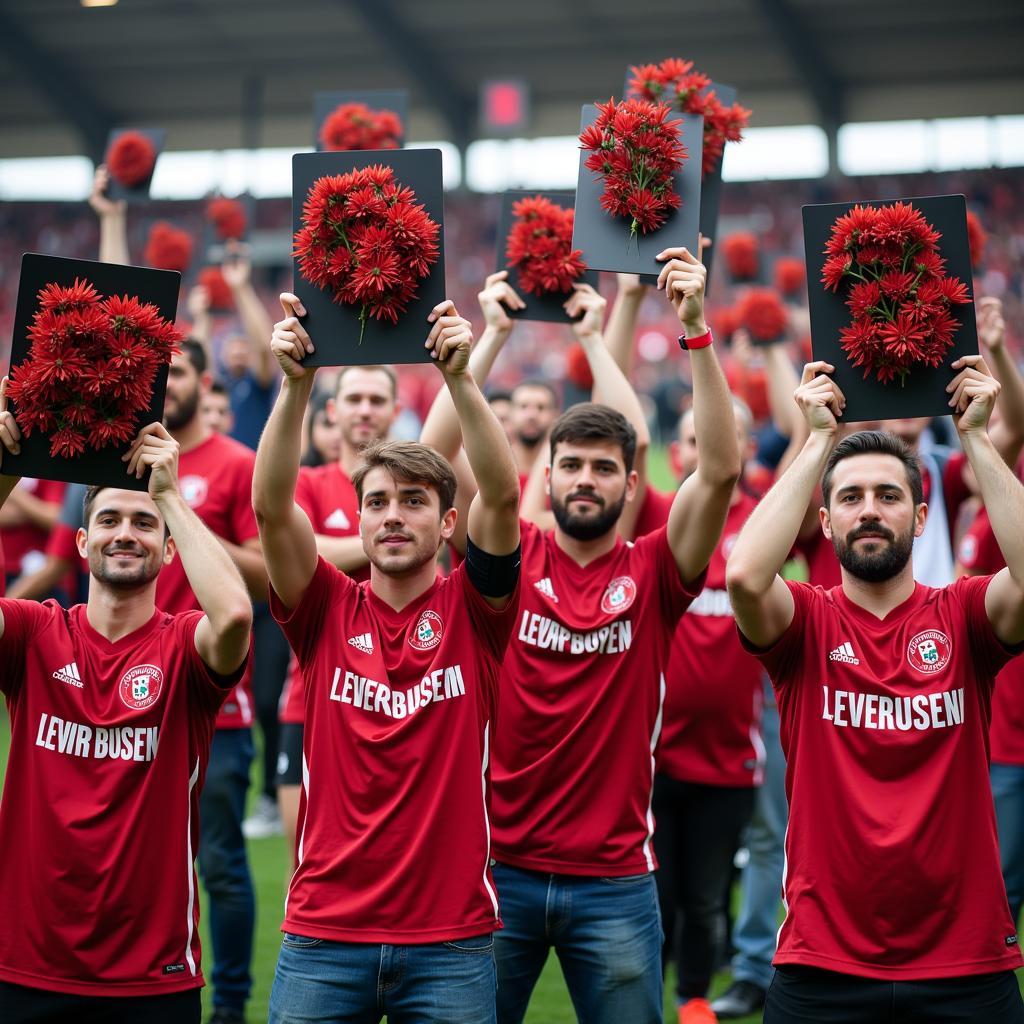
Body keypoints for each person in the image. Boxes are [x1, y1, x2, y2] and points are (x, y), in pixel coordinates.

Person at [725, 356, 1024, 1022]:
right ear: (824, 523)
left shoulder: (965, 615)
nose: (869, 511)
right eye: (850, 498)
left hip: (966, 963)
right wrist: (817, 440)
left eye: (889, 497)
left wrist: (976, 437)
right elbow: (744, 575)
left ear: (920, 520)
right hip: (822, 963)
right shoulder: (804, 622)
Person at [253, 292, 521, 1023]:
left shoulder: (478, 611)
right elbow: (273, 511)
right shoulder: (323, 607)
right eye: (376, 503)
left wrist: (462, 380)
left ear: (446, 523)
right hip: (322, 933)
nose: (393, 516)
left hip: (452, 940)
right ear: (358, 517)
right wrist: (297, 384)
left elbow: (501, 492)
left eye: (412, 501)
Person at [491, 248, 740, 1024]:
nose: (587, 479)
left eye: (604, 466)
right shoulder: (509, 561)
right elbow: (457, 471)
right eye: (572, 466)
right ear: (549, 476)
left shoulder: (658, 571)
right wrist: (479, 356)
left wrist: (694, 329)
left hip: (616, 879)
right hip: (499, 871)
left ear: (632, 484)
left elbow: (722, 473)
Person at [0, 391, 252, 1024]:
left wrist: (170, 495)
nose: (125, 535)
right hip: (25, 961)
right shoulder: (34, 632)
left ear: (171, 551)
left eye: (145, 525)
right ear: (83, 543)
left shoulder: (184, 645)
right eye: (110, 520)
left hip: (151, 977)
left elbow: (237, 615)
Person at [162, 339, 266, 1024]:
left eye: (174, 373)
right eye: (154, 374)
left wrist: (181, 514)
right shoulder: (122, 463)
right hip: (126, 705)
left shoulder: (237, 464)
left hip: (218, 702)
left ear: (203, 381)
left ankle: (228, 1004)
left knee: (220, 862)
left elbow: (264, 575)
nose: (164, 386)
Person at [273, 363, 400, 853]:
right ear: (332, 410)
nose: (364, 409)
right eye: (354, 399)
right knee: (303, 856)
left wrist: (334, 547)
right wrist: (394, 539)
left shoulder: (420, 484)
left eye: (375, 399)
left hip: (401, 695)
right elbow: (294, 555)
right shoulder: (308, 482)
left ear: (396, 410)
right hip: (309, 696)